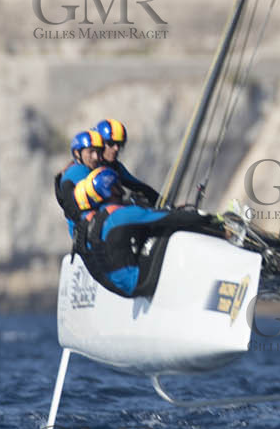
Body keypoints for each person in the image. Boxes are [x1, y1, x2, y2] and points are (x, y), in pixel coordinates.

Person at [72, 165, 224, 299]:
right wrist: (208, 218)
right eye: (117, 184)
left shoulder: (100, 217)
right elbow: (171, 218)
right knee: (168, 228)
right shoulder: (122, 215)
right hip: (138, 283)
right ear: (112, 188)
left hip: (122, 286)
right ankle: (223, 235)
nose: (121, 187)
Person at [94, 117, 160, 207]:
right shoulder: (85, 168)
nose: (116, 149)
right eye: (111, 143)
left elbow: (139, 186)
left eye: (119, 144)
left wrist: (163, 202)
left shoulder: (115, 166)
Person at [54, 129, 107, 233]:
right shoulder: (79, 171)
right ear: (77, 153)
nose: (96, 157)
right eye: (91, 151)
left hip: (86, 231)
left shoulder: (79, 168)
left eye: (98, 152)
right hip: (89, 233)